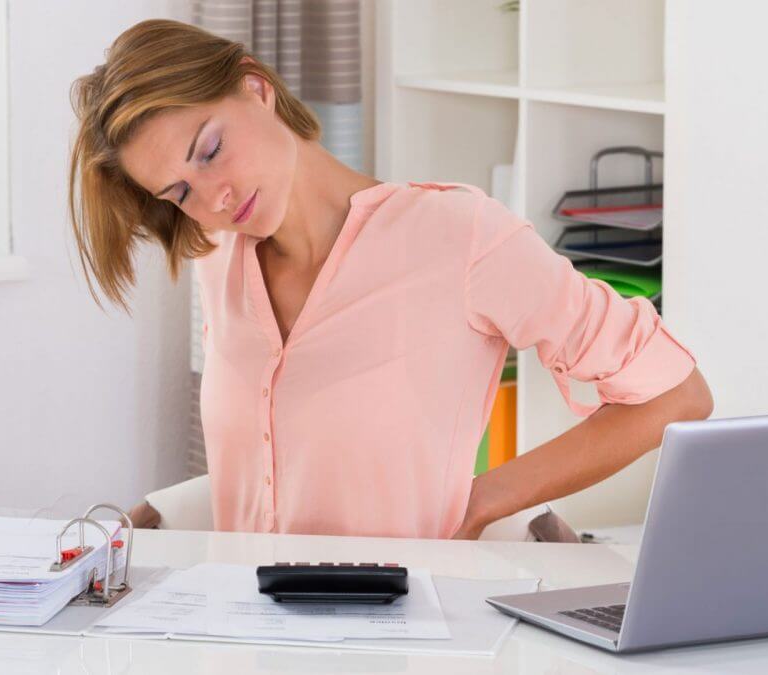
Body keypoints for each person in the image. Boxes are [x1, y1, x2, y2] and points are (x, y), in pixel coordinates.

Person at [67, 19, 713, 540]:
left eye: (210, 150)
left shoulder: (457, 236)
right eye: (181, 191)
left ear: (256, 88)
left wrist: (488, 498)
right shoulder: (217, 257)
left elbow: (677, 394)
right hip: (240, 629)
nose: (214, 196)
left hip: (401, 632)